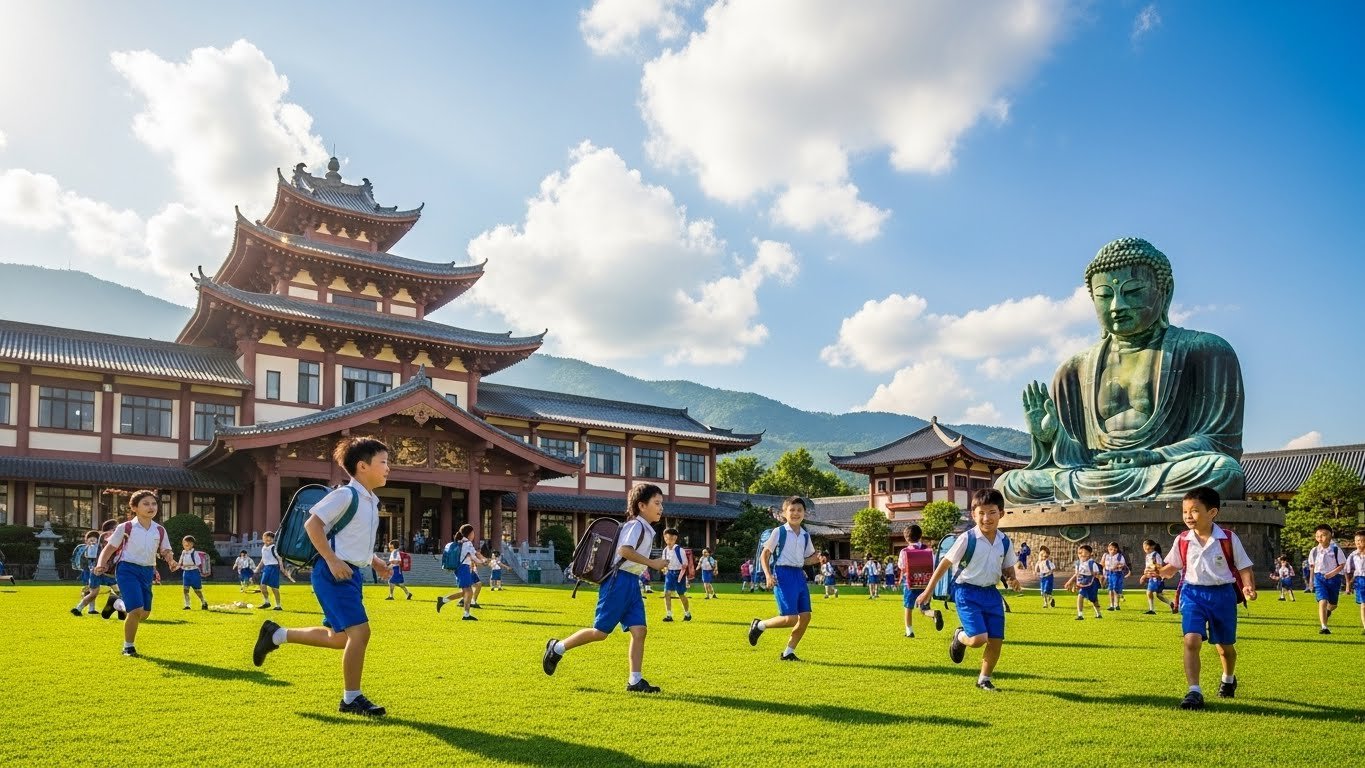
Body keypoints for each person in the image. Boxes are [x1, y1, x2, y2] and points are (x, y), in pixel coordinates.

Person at [251, 437, 394, 717]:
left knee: (340, 638)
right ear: (363, 466)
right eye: (384, 462)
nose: (389, 468)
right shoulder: (346, 495)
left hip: (350, 574)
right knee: (360, 633)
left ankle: (276, 635)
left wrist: (375, 561)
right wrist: (331, 559)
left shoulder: (370, 502)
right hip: (332, 575)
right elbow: (312, 524)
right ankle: (351, 699)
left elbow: (351, 541)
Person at [542, 483, 668, 693]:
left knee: (640, 631)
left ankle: (635, 681)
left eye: (661, 503)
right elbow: (625, 550)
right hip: (618, 582)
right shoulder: (635, 526)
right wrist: (652, 563)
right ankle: (557, 647)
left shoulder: (646, 528)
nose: (661, 507)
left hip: (631, 584)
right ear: (642, 505)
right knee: (600, 632)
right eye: (657, 503)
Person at [1148, 485, 1256, 710]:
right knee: (1191, 639)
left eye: (1195, 510)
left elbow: (1244, 566)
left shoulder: (1227, 538)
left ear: (1212, 512)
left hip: (1223, 595)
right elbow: (1172, 568)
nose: (1188, 516)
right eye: (1185, 511)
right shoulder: (1183, 539)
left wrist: (1247, 587)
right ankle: (1194, 691)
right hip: (1192, 594)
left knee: (1225, 647)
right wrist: (1158, 571)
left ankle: (1228, 678)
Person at [915, 489, 1020, 692]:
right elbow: (944, 565)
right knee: (978, 639)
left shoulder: (1005, 542)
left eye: (991, 512)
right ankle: (960, 636)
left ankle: (984, 679)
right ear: (973, 514)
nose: (986, 518)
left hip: (991, 594)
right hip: (966, 592)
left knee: (996, 641)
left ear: (1001, 513)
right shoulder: (967, 538)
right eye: (980, 513)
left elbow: (1008, 568)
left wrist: (1013, 579)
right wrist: (928, 591)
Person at [91, 490, 179, 656]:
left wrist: (171, 560)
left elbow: (165, 550)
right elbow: (110, 547)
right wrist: (101, 564)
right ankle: (128, 647)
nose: (151, 507)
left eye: (153, 504)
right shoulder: (126, 527)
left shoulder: (159, 530)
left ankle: (116, 603)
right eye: (145, 504)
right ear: (134, 507)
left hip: (147, 571)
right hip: (127, 569)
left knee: (144, 614)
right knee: (135, 610)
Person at [748, 496, 821, 661]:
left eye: (799, 510)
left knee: (805, 617)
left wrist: (816, 559)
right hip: (782, 574)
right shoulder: (779, 532)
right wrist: (767, 575)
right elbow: (765, 555)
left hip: (798, 576)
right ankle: (759, 625)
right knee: (790, 618)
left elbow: (806, 559)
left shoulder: (805, 535)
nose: (796, 513)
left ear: (804, 513)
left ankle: (788, 652)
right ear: (784, 513)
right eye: (792, 510)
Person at [899, 525, 943, 637]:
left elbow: (901, 566)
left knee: (908, 607)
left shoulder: (904, 551)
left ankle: (909, 630)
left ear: (906, 538)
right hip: (925, 584)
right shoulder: (928, 551)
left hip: (910, 583)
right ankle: (933, 613)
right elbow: (933, 565)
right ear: (920, 536)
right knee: (924, 608)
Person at [437, 525, 485, 621]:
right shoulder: (467, 543)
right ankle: (466, 614)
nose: (474, 534)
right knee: (468, 591)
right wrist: (483, 562)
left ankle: (443, 600)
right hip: (463, 568)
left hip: (461, 568)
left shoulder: (460, 542)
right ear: (470, 533)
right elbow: (474, 556)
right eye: (473, 532)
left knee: (465, 592)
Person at [1308, 524, 1346, 634]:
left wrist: (1331, 574)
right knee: (1322, 601)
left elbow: (1342, 565)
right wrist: (1311, 581)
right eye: (1318, 536)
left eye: (1323, 535)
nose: (1320, 538)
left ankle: (1328, 611)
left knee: (1333, 604)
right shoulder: (1314, 551)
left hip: (1334, 579)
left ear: (1330, 536)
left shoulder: (1336, 550)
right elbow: (1312, 567)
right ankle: (1324, 627)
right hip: (1319, 578)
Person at [255, 531, 295, 610]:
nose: (268, 541)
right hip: (266, 568)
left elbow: (279, 559)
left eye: (270, 540)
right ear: (263, 539)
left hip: (274, 568)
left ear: (273, 540)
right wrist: (257, 568)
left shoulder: (274, 548)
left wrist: (282, 568)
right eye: (266, 539)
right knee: (262, 586)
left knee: (274, 588)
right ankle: (267, 602)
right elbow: (263, 559)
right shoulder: (263, 548)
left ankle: (278, 606)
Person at [660, 528, 693, 622]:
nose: (667, 540)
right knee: (667, 593)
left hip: (679, 573)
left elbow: (685, 564)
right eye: (666, 538)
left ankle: (687, 613)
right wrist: (664, 568)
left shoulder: (680, 550)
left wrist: (683, 575)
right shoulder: (665, 551)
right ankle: (669, 615)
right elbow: (664, 562)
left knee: (681, 594)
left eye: (669, 538)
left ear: (675, 538)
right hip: (669, 573)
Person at [1065, 545, 1104, 620]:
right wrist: (1070, 581)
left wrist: (1101, 581)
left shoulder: (1092, 563)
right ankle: (1080, 615)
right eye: (1080, 553)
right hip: (1082, 583)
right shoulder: (1078, 563)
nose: (1082, 555)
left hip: (1091, 584)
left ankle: (1098, 613)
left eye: (1085, 553)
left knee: (1094, 600)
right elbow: (1077, 574)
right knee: (1080, 596)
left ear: (1090, 554)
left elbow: (1097, 574)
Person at [71, 531, 103, 616]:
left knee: (93, 591)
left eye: (94, 539)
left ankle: (91, 609)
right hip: (87, 572)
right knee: (88, 590)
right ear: (86, 540)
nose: (92, 541)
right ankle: (84, 608)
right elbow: (81, 561)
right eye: (90, 539)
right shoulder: (84, 549)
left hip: (96, 572)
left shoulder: (100, 548)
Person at [1141, 539, 1175, 614]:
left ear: (1152, 547)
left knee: (1149, 592)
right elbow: (1148, 566)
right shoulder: (1148, 556)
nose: (1144, 549)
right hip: (1152, 577)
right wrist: (1146, 572)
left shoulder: (1156, 555)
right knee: (1159, 595)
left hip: (1156, 577)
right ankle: (1171, 604)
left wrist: (1146, 574)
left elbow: (1159, 567)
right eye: (1144, 547)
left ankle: (1152, 610)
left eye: (1146, 547)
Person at [179, 536, 209, 611]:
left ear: (191, 544)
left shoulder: (194, 553)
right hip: (186, 573)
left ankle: (203, 602)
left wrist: (186, 565)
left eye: (187, 544)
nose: (185, 545)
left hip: (194, 573)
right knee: (185, 589)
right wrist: (176, 565)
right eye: (184, 543)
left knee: (197, 590)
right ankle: (187, 605)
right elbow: (180, 562)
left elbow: (198, 563)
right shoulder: (183, 552)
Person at [1347, 530, 1365, 635]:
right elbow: (1348, 571)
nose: (1358, 543)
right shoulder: (1353, 555)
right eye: (1356, 541)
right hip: (1360, 580)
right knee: (1363, 604)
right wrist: (1348, 585)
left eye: (1361, 540)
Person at [1101, 542, 1127, 611]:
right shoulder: (1106, 555)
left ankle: (1117, 604)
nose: (1112, 550)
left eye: (1115, 549)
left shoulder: (1119, 556)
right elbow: (1102, 564)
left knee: (1116, 589)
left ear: (1117, 549)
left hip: (1117, 574)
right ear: (1108, 548)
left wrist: (1117, 566)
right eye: (1111, 549)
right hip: (1109, 573)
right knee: (1110, 589)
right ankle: (1111, 605)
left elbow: (1123, 565)